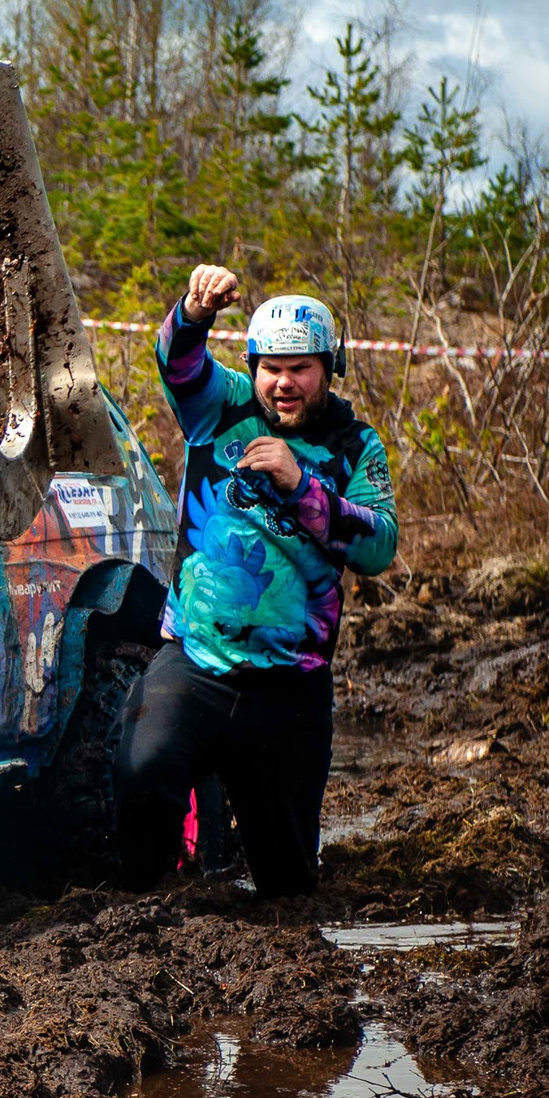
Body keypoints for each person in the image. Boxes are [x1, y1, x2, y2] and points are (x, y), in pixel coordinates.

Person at [113, 265, 398, 899]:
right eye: (271, 366)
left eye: (300, 368)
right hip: (194, 664)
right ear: (253, 365)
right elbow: (178, 364)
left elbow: (379, 546)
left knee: (288, 881)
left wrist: (303, 486)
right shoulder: (224, 408)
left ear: (328, 367)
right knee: (142, 768)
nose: (284, 383)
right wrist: (192, 311)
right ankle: (144, 907)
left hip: (289, 688)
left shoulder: (356, 446)